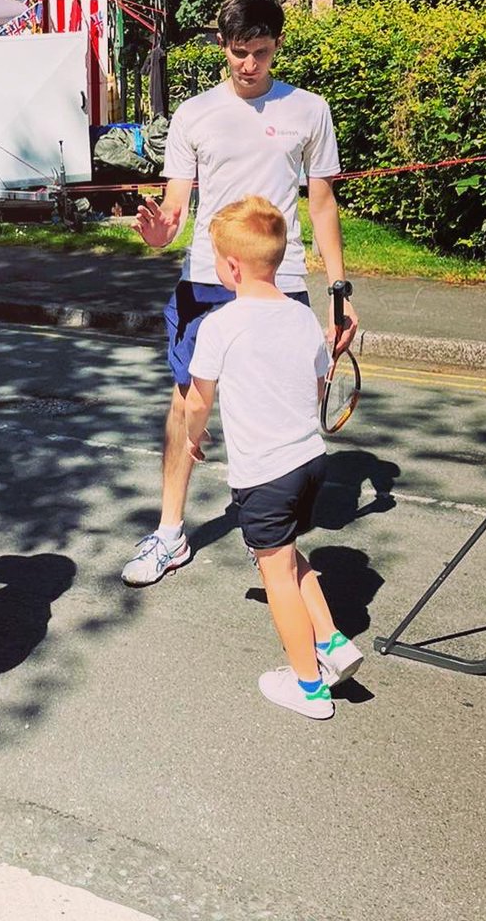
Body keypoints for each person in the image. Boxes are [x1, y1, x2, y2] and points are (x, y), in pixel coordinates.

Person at [122, 0, 360, 587]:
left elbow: (324, 205)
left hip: (279, 282)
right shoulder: (194, 114)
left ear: (277, 44)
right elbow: (174, 214)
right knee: (186, 407)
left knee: (288, 408)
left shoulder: (309, 110)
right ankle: (170, 534)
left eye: (258, 51)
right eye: (236, 53)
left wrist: (339, 288)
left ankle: (276, 547)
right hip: (206, 279)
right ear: (221, 48)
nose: (248, 64)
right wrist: (156, 232)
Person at [183, 196, 364, 717]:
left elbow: (198, 400)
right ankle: (331, 642)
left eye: (218, 259)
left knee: (276, 575)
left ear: (232, 266)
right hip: (310, 461)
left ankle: (309, 687)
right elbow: (316, 382)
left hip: (265, 474)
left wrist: (194, 438)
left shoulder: (220, 325)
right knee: (288, 555)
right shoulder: (302, 318)